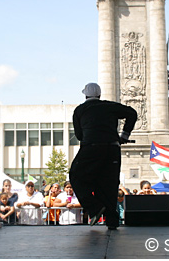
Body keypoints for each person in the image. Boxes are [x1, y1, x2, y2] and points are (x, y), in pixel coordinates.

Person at [69, 82, 137, 231]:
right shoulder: (109, 106)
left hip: (91, 148)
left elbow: (80, 135)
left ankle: (95, 207)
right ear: (99, 95)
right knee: (109, 183)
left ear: (85, 95)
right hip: (112, 148)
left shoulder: (80, 110)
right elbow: (132, 113)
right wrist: (124, 135)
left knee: (76, 176)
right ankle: (112, 221)